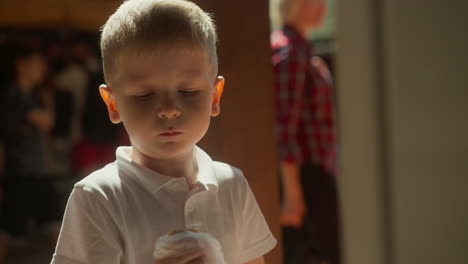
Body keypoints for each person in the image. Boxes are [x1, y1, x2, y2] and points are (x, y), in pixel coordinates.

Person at [51, 0, 277, 263]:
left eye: (188, 91)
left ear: (214, 97)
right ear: (113, 104)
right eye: (145, 95)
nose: (169, 109)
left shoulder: (231, 185)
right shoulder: (99, 196)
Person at [271, 0, 340, 263]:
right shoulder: (290, 52)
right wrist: (292, 195)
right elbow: (283, 127)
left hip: (314, 175)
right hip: (306, 180)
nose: (323, 6)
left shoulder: (300, 50)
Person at [0, 46, 61, 261]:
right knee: (8, 229)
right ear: (21, 65)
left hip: (37, 170)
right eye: (36, 65)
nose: (41, 70)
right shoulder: (14, 95)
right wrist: (49, 101)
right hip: (22, 171)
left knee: (54, 223)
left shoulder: (30, 96)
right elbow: (47, 122)